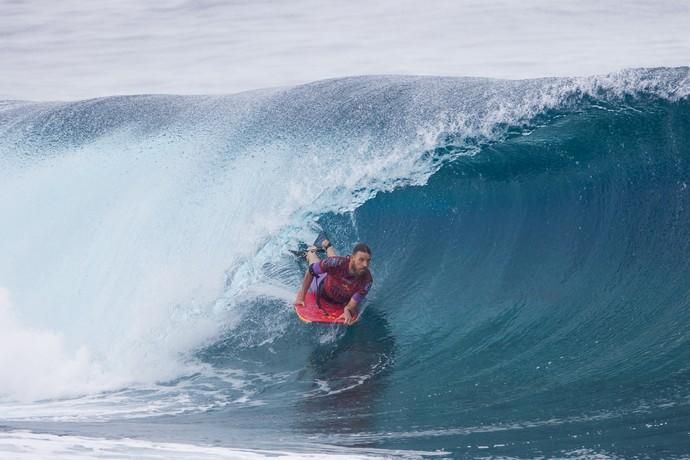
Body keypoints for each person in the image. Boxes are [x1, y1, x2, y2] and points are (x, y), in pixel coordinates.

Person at [294, 239, 373, 325]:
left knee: (334, 264)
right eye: (361, 260)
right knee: (318, 262)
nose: (365, 264)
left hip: (339, 297)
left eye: (368, 261)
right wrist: (301, 296)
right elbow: (311, 271)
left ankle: (328, 246)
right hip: (321, 288)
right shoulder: (336, 263)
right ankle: (311, 252)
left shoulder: (366, 281)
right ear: (352, 258)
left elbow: (352, 304)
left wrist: (348, 310)